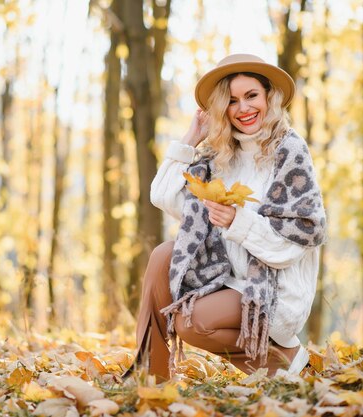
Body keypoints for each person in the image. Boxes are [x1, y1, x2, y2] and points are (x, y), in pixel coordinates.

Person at [131, 53, 326, 381]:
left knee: (191, 323)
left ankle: (289, 363)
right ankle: (152, 377)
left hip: (273, 285)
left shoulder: (288, 151)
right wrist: (191, 138)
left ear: (268, 97)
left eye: (251, 96)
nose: (243, 109)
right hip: (226, 274)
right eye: (232, 101)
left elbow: (293, 245)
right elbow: (162, 196)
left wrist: (238, 221)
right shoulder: (219, 154)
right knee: (163, 254)